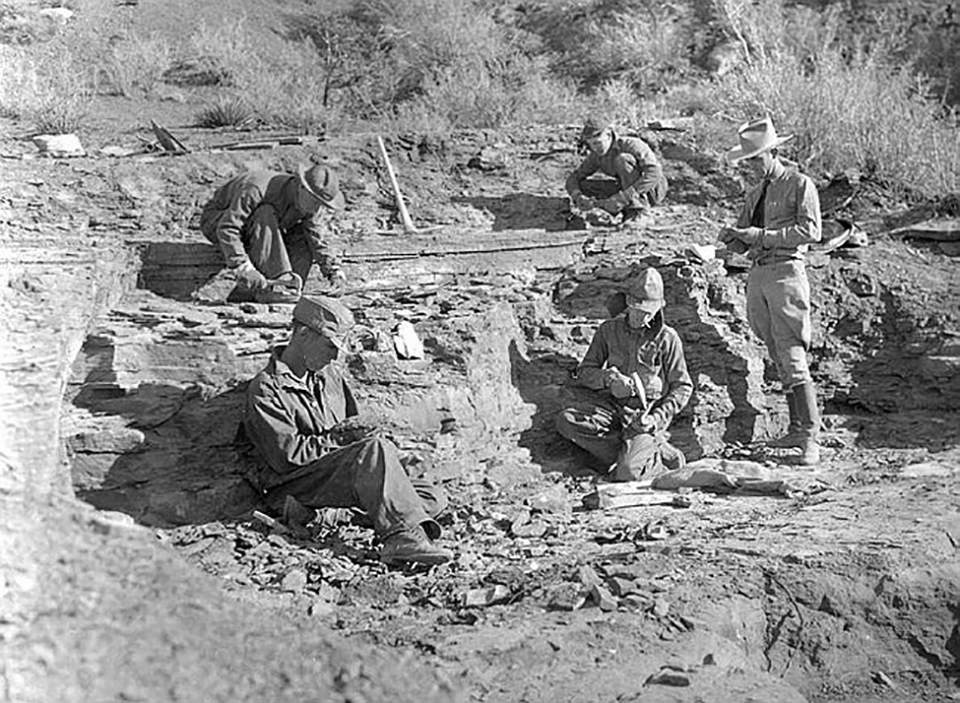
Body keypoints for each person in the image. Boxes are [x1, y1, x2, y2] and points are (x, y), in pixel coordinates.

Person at [243, 295, 453, 565]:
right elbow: (287, 457)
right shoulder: (266, 388)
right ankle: (401, 538)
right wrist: (342, 439)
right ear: (304, 334)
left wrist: (392, 460)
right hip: (294, 482)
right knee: (379, 462)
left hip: (334, 475)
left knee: (430, 496)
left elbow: (358, 433)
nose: (335, 355)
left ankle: (335, 514)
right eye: (330, 346)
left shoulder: (329, 376)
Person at [719, 116, 823, 465]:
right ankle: (796, 430)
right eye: (747, 160)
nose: (752, 166)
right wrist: (732, 239)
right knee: (778, 352)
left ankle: (809, 438)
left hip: (785, 272)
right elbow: (745, 243)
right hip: (760, 274)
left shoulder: (799, 184)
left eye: (756, 158)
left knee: (791, 351)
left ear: (773, 152)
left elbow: (811, 231)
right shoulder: (755, 192)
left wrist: (760, 237)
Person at [556, 267, 693, 480]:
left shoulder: (667, 338)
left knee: (628, 473)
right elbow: (584, 372)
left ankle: (658, 454)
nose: (643, 317)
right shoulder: (608, 330)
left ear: (660, 308)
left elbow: (683, 387)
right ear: (628, 303)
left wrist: (657, 418)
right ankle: (628, 453)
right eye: (638, 309)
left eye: (649, 312)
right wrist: (608, 379)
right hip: (612, 409)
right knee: (567, 421)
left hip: (644, 417)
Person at [199, 165, 346, 304]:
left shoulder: (308, 204)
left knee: (303, 233)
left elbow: (317, 239)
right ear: (301, 187)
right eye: (315, 202)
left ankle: (287, 286)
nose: (317, 208)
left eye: (322, 205)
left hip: (260, 229)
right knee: (265, 212)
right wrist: (243, 267)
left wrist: (335, 273)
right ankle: (275, 282)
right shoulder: (257, 188)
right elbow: (227, 227)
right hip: (217, 222)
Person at [565, 117, 668, 225]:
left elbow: (654, 173)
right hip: (626, 189)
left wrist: (626, 196)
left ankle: (640, 213)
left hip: (651, 189)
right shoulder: (595, 156)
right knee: (585, 185)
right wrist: (578, 196)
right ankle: (610, 212)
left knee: (623, 160)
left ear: (609, 135)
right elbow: (574, 177)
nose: (595, 148)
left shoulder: (631, 145)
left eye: (598, 143)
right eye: (592, 144)